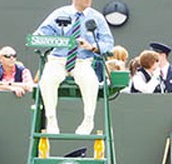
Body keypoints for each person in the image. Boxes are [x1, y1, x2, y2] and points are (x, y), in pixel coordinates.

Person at [34, 0, 114, 135]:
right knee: (47, 79)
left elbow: (108, 43)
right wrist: (50, 38)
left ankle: (88, 119)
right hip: (58, 59)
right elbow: (40, 34)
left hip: (82, 60)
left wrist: (92, 46)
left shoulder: (97, 17)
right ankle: (51, 119)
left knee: (90, 81)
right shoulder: (59, 13)